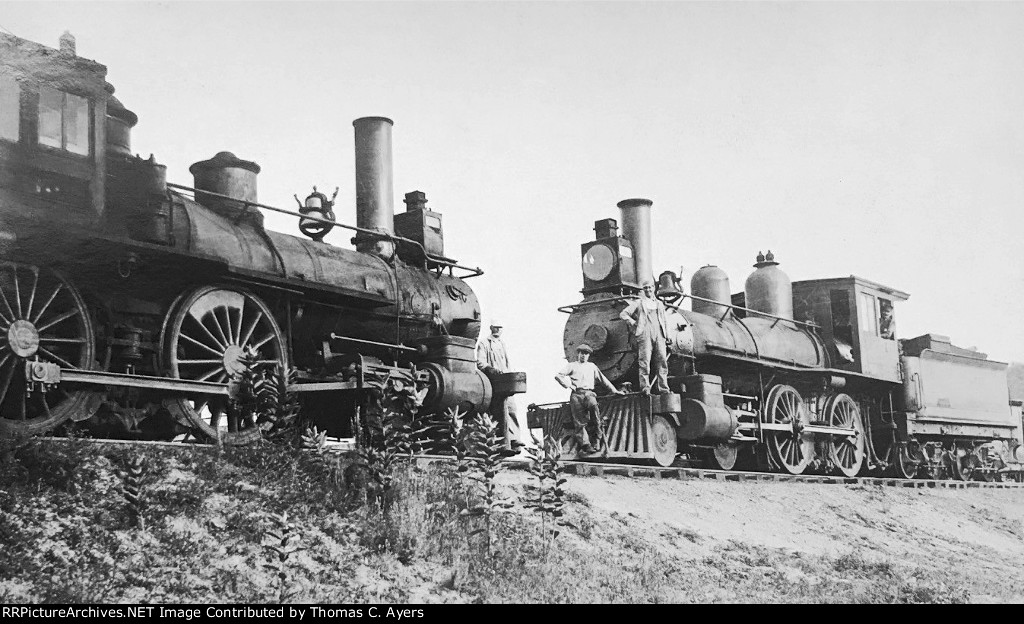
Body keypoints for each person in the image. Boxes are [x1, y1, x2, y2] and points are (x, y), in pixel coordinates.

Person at [555, 344, 623, 454]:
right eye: (582, 353)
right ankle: (585, 445)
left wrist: (614, 391)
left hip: (589, 393)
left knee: (595, 413)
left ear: (588, 356)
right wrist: (569, 385)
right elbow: (558, 376)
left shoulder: (592, 366)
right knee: (580, 422)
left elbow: (603, 380)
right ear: (578, 354)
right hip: (576, 395)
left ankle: (597, 440)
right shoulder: (572, 365)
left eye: (586, 354)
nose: (583, 356)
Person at [619, 281, 672, 394]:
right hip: (644, 334)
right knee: (644, 361)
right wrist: (633, 322)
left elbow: (665, 321)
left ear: (653, 288)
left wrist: (668, 335)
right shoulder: (638, 303)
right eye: (645, 288)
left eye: (649, 287)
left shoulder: (659, 304)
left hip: (659, 334)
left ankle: (663, 388)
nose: (648, 290)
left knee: (662, 361)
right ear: (643, 290)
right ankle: (645, 387)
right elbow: (623, 314)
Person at [476, 320, 520, 446]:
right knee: (499, 410)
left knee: (511, 408)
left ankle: (514, 439)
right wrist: (490, 369)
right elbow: (480, 362)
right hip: (492, 380)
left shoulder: (502, 344)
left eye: (500, 327)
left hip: (504, 379)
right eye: (496, 327)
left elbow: (507, 364)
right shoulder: (484, 343)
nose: (498, 330)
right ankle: (501, 441)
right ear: (491, 328)